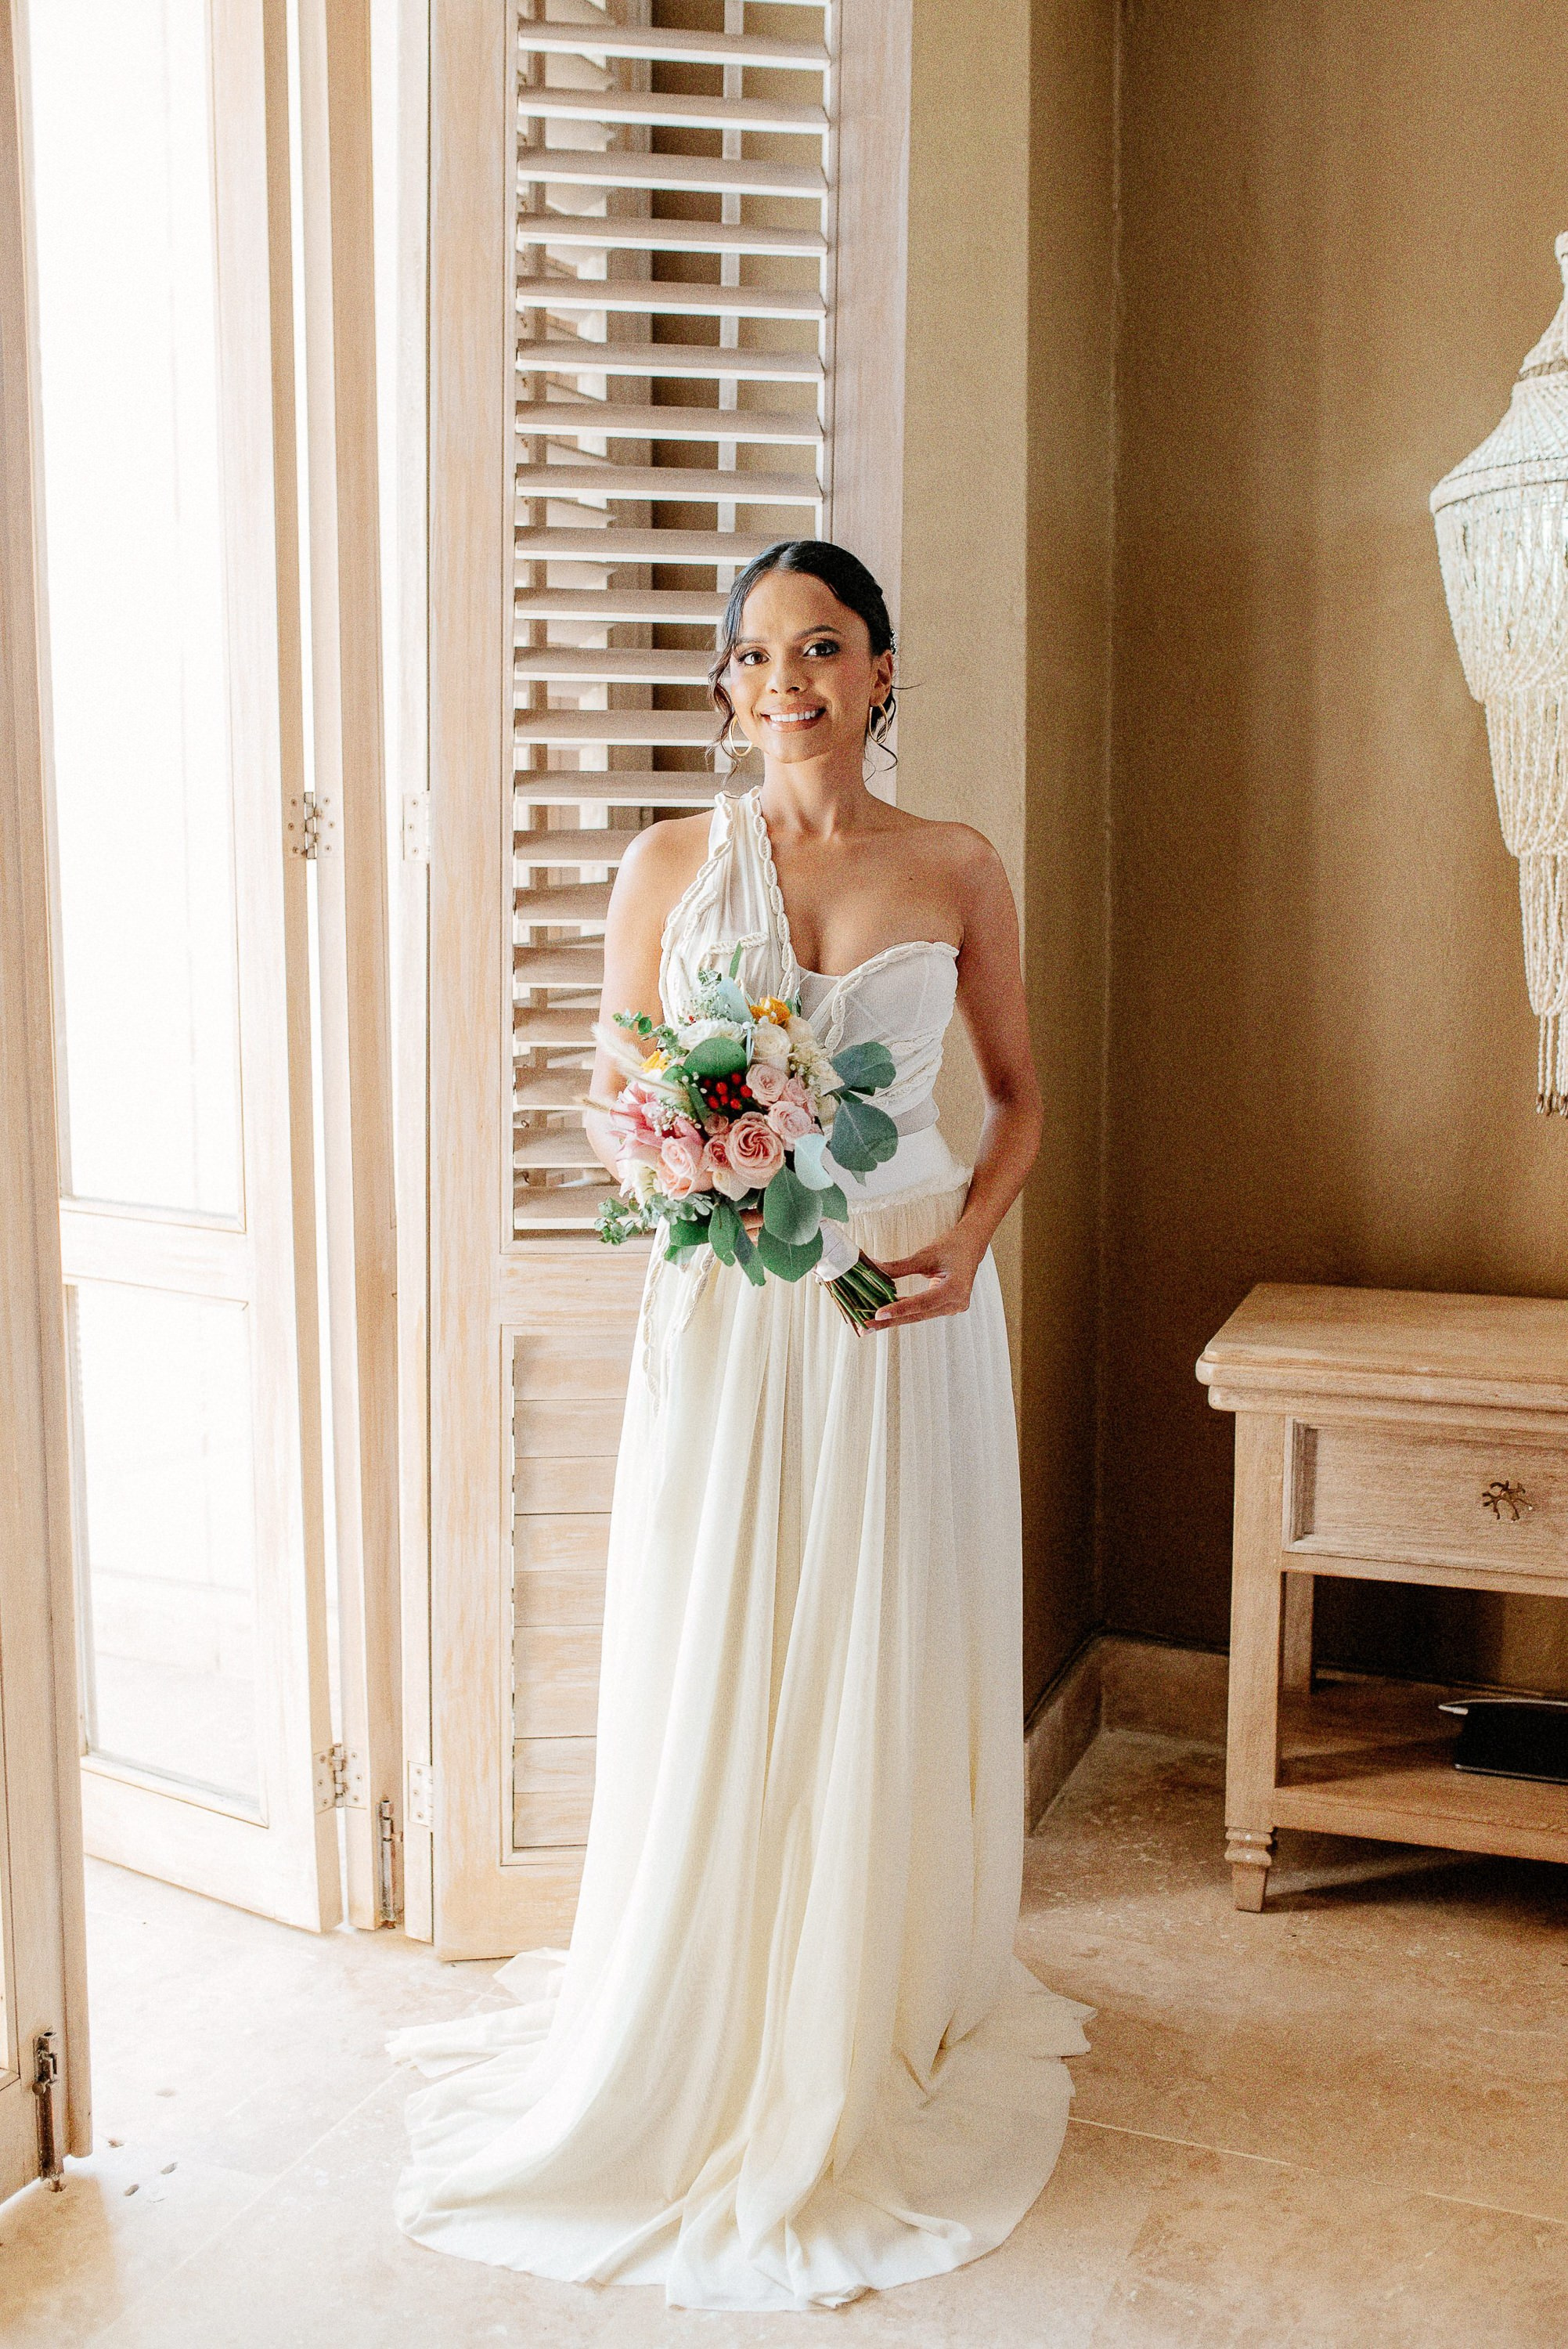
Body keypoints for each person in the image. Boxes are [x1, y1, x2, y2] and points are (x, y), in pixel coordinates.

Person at [385, 539, 1090, 2312]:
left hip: (906, 1300)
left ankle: (872, 1981)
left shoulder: (957, 866)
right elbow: (625, 1095)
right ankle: (702, 1990)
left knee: (878, 1633)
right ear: (728, 685)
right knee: (723, 1625)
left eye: (826, 648)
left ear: (880, 673)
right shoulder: (671, 866)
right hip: (727, 1301)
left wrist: (965, 1248)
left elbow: (1013, 1105)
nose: (790, 682)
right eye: (760, 655)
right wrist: (700, 1157)